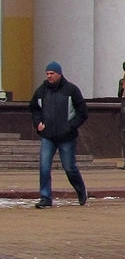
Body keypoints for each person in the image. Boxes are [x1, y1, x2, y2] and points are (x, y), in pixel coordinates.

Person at [29, 61, 89, 208]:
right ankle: (45, 197)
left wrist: (70, 126)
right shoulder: (41, 91)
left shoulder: (71, 90)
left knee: (69, 167)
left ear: (59, 74)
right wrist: (38, 123)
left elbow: (82, 113)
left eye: (52, 73)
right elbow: (34, 109)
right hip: (47, 136)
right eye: (47, 73)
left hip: (67, 137)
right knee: (44, 167)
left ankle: (81, 191)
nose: (49, 76)